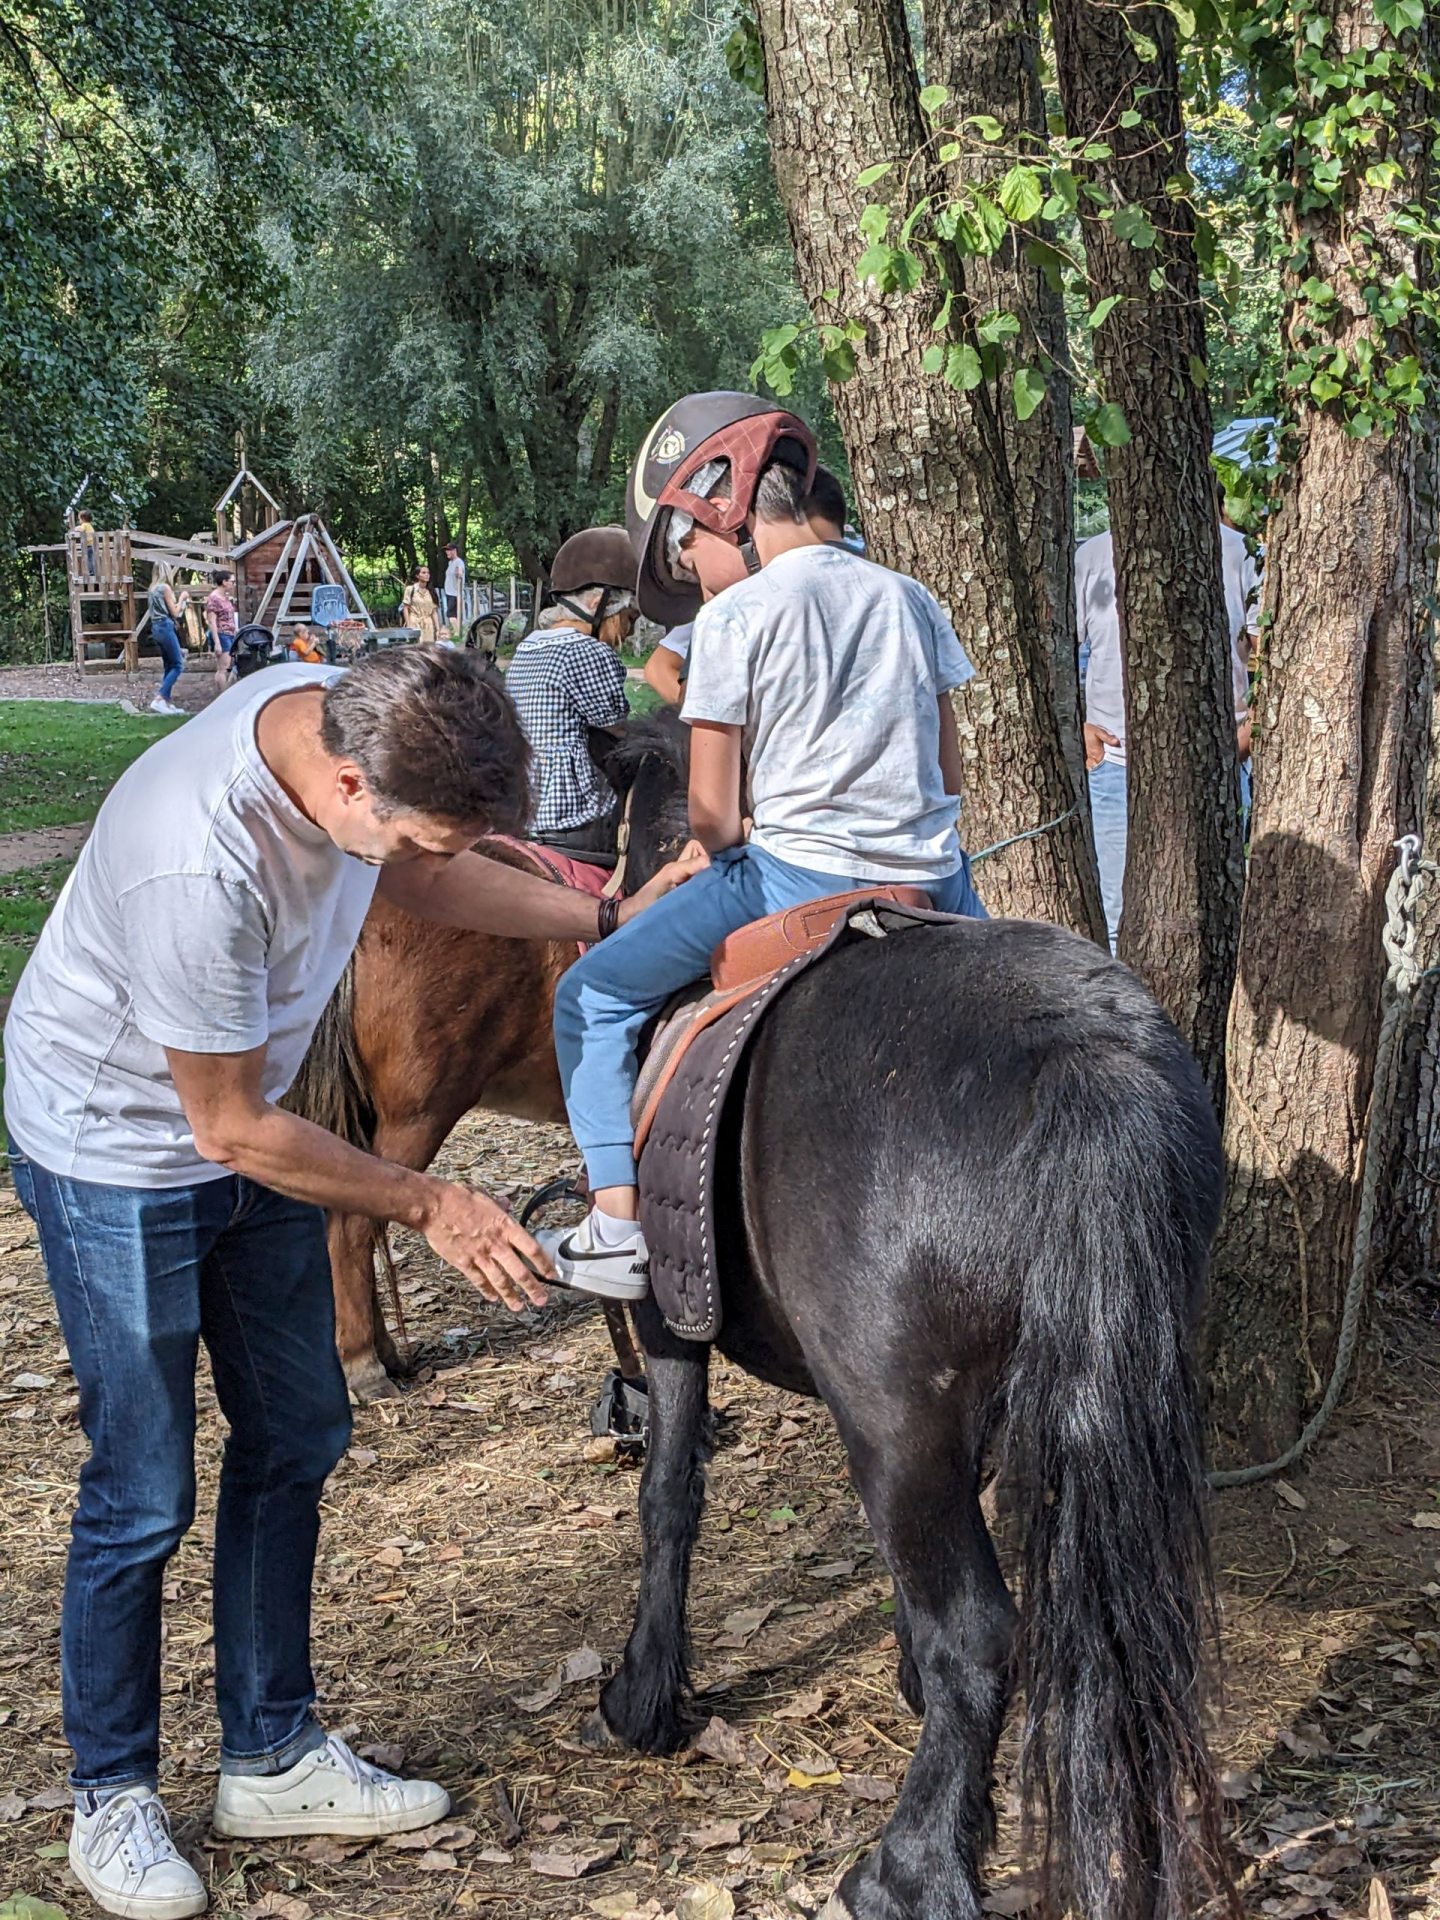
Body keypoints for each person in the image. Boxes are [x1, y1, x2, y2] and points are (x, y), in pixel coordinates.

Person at [2, 648, 698, 1920]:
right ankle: (112, 1794)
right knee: (141, 1488)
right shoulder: (194, 861)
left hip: (241, 1120)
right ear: (346, 787)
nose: (426, 863)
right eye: (419, 836)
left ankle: (268, 1753)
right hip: (122, 1150)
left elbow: (436, 868)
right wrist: (430, 1196)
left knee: (299, 1432)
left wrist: (607, 913)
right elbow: (227, 1130)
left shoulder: (345, 703)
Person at [548, 392, 987, 1299]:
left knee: (589, 993)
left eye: (686, 549)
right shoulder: (908, 596)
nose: (694, 572)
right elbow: (947, 771)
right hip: (935, 880)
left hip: (791, 880)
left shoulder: (736, 620)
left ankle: (616, 1227)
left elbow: (709, 815)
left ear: (724, 503)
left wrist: (741, 834)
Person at [1076, 518, 1259, 950]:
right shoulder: (1092, 556)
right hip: (1116, 768)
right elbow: (1057, 651)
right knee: (1118, 919)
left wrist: (1243, 739)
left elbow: (1275, 660)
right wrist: (1079, 727)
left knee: (1223, 912)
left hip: (1219, 769)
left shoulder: (1241, 553)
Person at [643, 466, 852, 707]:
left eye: (694, 568)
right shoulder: (891, 596)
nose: (705, 592)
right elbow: (659, 667)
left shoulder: (727, 615)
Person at [505, 528, 638, 860]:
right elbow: (617, 725)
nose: (628, 630)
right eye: (627, 617)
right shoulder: (586, 651)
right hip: (570, 808)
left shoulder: (530, 645)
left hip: (527, 798)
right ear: (598, 604)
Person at [144, 571, 190, 718]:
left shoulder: (152, 589)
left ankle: (166, 702)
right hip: (165, 626)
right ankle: (159, 699)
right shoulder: (165, 588)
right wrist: (183, 597)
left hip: (156, 627)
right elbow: (176, 613)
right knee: (178, 664)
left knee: (169, 665)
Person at [206, 570, 240, 691]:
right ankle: (222, 696)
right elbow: (212, 621)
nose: (233, 584)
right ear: (224, 582)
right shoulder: (214, 598)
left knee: (227, 666)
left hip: (229, 634)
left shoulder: (224, 597)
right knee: (223, 668)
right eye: (232, 582)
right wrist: (217, 642)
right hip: (222, 634)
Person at [401, 564, 445, 643]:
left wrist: (437, 629)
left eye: (428, 573)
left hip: (428, 624)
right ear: (417, 575)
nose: (427, 575)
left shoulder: (431, 591)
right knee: (416, 647)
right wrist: (409, 625)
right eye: (423, 573)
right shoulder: (410, 589)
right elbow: (406, 608)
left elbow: (434, 612)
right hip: (414, 621)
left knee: (428, 647)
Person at [443, 540, 466, 630]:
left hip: (455, 593)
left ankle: (457, 632)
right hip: (449, 593)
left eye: (448, 550)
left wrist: (459, 574)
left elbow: (460, 572)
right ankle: (458, 632)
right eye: (446, 550)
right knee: (454, 615)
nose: (447, 552)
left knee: (450, 614)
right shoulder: (450, 563)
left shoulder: (458, 562)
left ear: (454, 551)